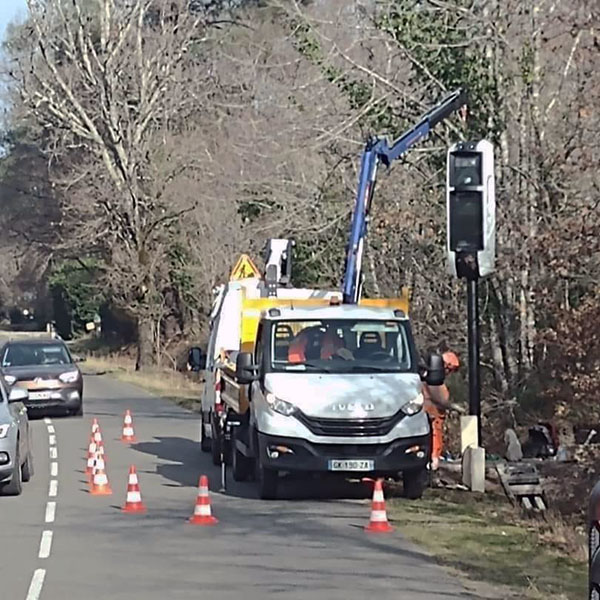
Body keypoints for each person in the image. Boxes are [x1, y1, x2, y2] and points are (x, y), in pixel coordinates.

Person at [423, 350, 462, 471]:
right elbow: (438, 398)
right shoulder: (431, 379)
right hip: (431, 419)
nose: (449, 373)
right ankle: (431, 469)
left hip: (436, 419)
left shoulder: (433, 378)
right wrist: (453, 407)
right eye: (449, 369)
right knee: (433, 447)